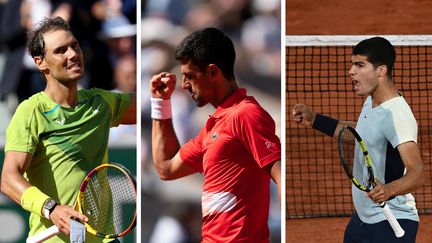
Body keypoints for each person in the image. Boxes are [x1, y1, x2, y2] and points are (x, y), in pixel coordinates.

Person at [0, 17, 136, 243]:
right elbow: (8, 179)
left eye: (75, 46)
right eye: (61, 50)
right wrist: (51, 209)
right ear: (40, 63)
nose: (73, 54)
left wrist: (161, 97)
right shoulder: (31, 111)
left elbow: (149, 105)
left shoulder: (101, 103)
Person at [149, 27, 281, 242]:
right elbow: (166, 168)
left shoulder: (246, 114)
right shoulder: (212, 127)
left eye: (189, 76)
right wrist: (160, 103)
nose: (184, 85)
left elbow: (280, 174)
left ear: (212, 72)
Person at [292, 37, 424, 243]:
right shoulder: (372, 100)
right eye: (353, 64)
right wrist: (316, 120)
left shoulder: (397, 115)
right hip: (363, 219)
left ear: (381, 70)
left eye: (360, 65)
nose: (351, 71)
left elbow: (417, 173)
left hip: (392, 222)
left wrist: (389, 189)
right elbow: (361, 136)